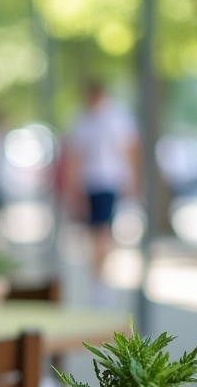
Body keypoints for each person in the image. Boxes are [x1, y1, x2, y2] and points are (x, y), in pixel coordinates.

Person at [60, 79, 141, 286]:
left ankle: (100, 277)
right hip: (90, 182)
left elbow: (130, 150)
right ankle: (99, 276)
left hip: (111, 181)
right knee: (97, 232)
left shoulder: (117, 117)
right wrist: (71, 188)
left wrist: (133, 180)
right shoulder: (82, 120)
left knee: (103, 231)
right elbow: (75, 156)